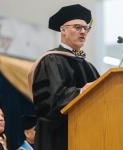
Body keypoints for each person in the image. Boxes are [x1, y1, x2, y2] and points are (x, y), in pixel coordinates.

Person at [28, 4, 100, 150]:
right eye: (78, 27)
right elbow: (51, 102)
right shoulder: (52, 60)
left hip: (87, 137)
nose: (83, 32)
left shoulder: (89, 67)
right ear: (63, 30)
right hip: (57, 139)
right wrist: (80, 92)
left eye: (86, 28)